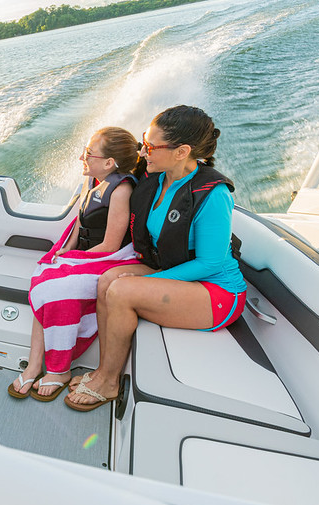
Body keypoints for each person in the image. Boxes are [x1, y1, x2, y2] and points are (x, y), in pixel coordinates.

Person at [65, 105, 246, 411]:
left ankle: (109, 382)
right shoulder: (157, 178)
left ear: (181, 152)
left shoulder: (214, 194)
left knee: (121, 289)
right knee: (107, 279)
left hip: (217, 293)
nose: (143, 150)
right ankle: (101, 370)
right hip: (174, 270)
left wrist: (147, 280)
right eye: (143, 142)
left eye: (150, 146)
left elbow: (210, 263)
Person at [9, 127, 143, 401]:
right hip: (86, 252)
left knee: (57, 285)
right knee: (46, 274)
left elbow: (110, 245)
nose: (83, 157)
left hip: (108, 258)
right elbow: (80, 223)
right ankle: (36, 364)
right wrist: (65, 252)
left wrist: (74, 261)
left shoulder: (121, 190)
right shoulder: (93, 180)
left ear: (109, 163)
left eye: (89, 153)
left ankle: (59, 370)